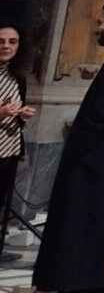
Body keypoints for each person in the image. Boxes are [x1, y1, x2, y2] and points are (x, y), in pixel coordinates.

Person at [33, 1, 104, 293]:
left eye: (100, 22)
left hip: (97, 165)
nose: (97, 29)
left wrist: (78, 144)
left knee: (85, 234)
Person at [0, 23, 35, 254]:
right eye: (1, 41)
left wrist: (23, 115)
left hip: (8, 148)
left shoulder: (18, 76)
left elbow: (18, 108)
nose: (6, 46)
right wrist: (2, 112)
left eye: (12, 42)